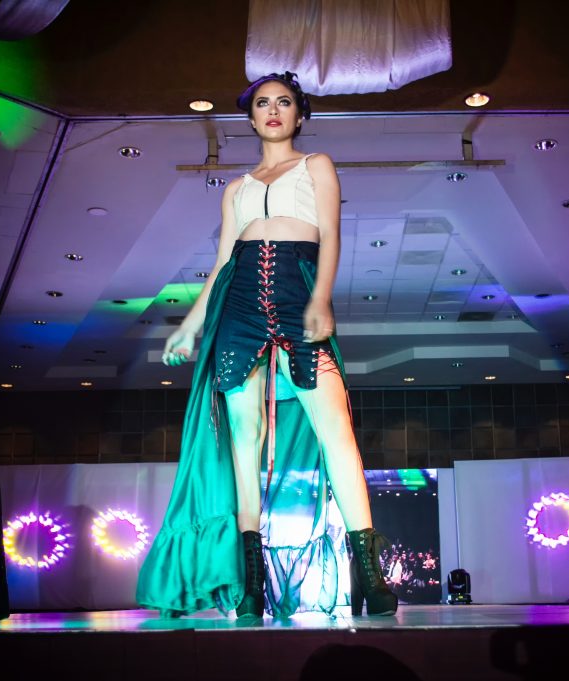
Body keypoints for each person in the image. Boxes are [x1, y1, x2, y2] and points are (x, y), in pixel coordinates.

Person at [135, 71, 397, 619]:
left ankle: (369, 577)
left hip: (298, 295)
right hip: (240, 308)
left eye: (283, 102)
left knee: (338, 434)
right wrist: (190, 325)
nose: (273, 110)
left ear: (299, 114)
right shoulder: (236, 189)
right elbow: (222, 264)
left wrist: (321, 298)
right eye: (262, 103)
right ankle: (251, 582)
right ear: (251, 117)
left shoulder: (317, 165)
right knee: (244, 442)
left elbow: (331, 234)